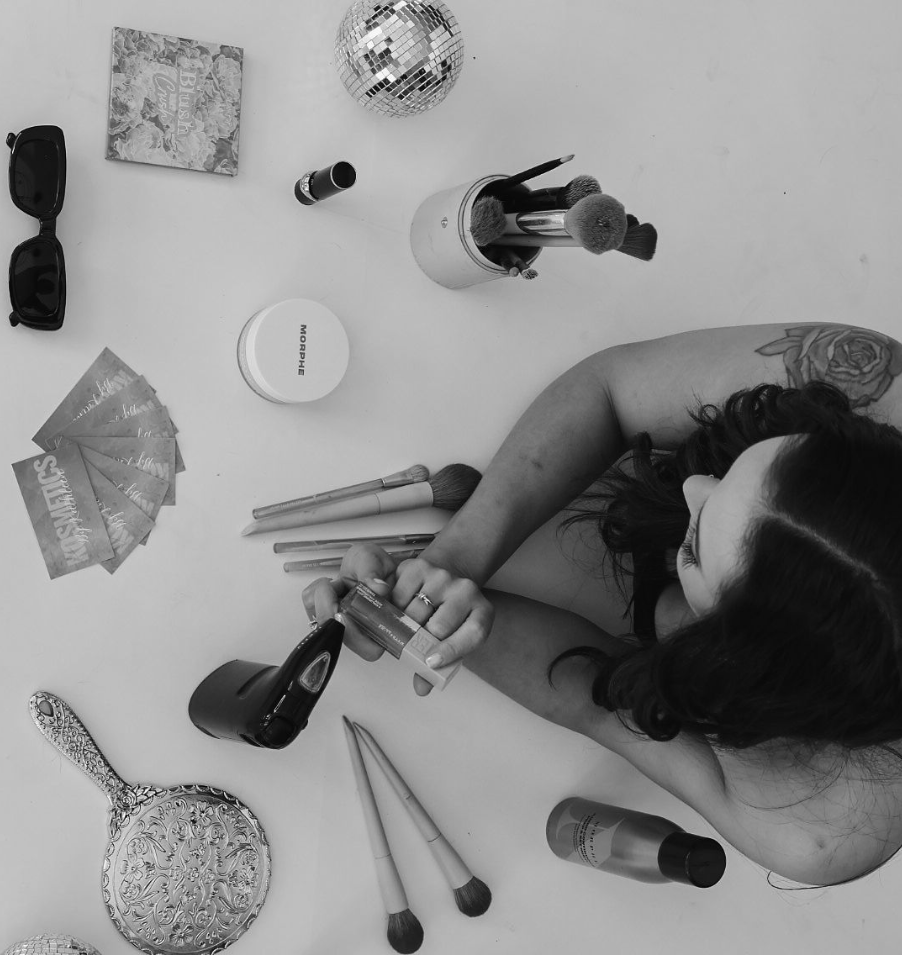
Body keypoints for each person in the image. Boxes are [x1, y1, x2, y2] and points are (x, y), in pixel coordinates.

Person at [304, 322, 902, 888]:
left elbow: (594, 703)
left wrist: (428, 620)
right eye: (756, 457)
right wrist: (451, 562)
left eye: (694, 547)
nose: (694, 484)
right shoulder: (870, 381)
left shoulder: (819, 827)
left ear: (735, 666)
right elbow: (609, 390)